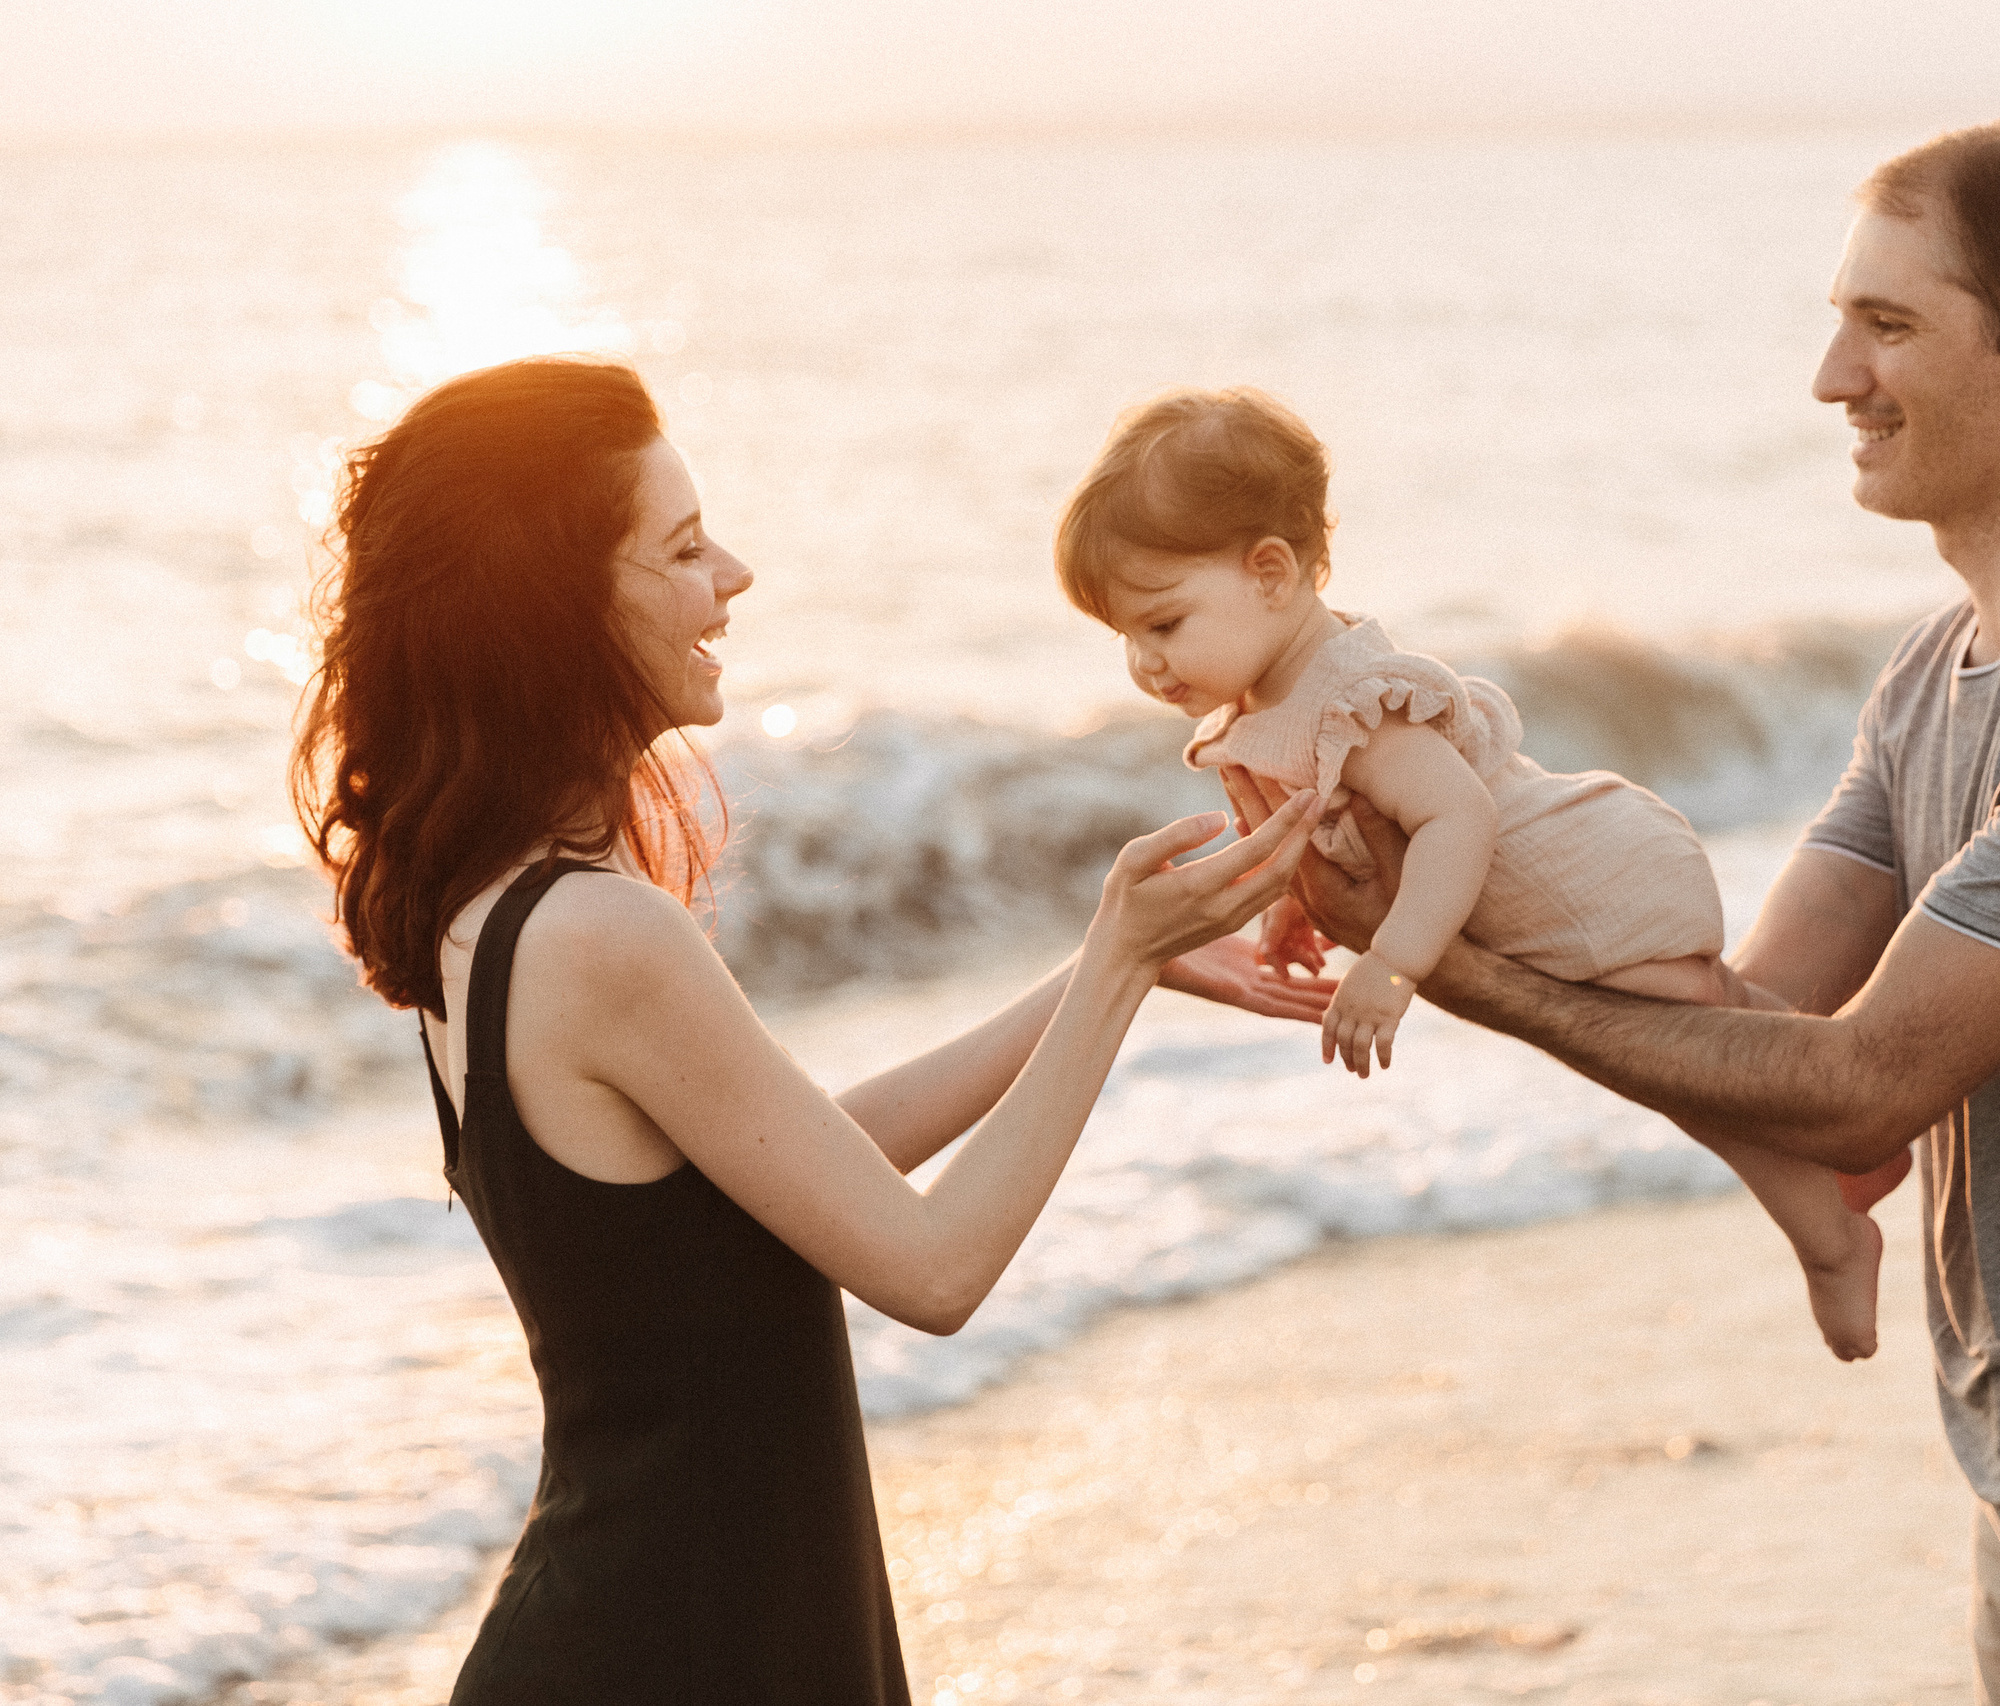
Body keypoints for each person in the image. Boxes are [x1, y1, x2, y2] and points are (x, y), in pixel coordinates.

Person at [1231, 117, 2000, 1702]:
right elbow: (1747, 1022)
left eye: (1889, 323)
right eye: (1839, 319)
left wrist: (1446, 968)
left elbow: (1865, 1088)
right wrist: (1436, 822)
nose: (1830, 376)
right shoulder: (1936, 673)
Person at [290, 356, 1322, 1705]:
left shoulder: (486, 912)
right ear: (559, 606)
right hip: (681, 1655)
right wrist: (1121, 959)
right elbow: (936, 1272)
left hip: (653, 1635)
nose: (736, 572)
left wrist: (1113, 972)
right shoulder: (604, 938)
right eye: (680, 545)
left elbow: (800, 1170)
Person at [1053, 386, 1907, 1363]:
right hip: (1547, 894)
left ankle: (1831, 1229)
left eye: (1162, 623)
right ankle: (1849, 1132)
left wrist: (1396, 964)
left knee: (1694, 1070)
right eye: (1123, 635)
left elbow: (1457, 815)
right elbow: (1335, 835)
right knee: (1723, 1027)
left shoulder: (1351, 698)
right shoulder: (1274, 699)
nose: (1143, 662)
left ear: (1270, 572)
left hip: (1583, 882)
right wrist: (1300, 910)